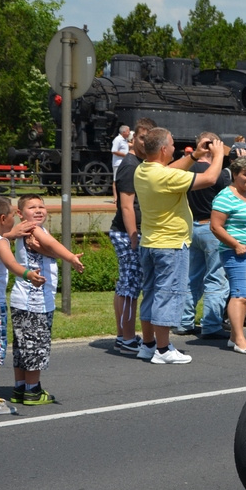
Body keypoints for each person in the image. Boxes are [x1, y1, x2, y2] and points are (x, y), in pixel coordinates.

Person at [134, 127, 226, 365]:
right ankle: (163, 350)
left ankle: (148, 345)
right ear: (164, 149)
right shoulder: (164, 176)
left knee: (151, 294)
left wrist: (195, 156)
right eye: (172, 145)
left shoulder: (143, 170)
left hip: (149, 243)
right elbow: (210, 178)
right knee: (167, 294)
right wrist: (219, 155)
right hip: (171, 245)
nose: (175, 148)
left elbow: (171, 168)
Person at [7, 195, 85, 405]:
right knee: (36, 346)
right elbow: (51, 244)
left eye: (42, 206)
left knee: (22, 346)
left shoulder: (25, 231)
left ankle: (20, 387)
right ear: (20, 214)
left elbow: (46, 248)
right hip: (36, 301)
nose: (39, 210)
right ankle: (33, 390)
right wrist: (71, 257)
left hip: (21, 299)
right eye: (32, 207)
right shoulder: (33, 229)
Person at [0, 195, 47, 416]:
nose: (14, 220)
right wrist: (29, 274)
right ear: (3, 218)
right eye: (12, 215)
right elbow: (11, 264)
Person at [210, 156, 246, 355]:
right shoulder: (225, 196)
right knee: (239, 295)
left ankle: (234, 337)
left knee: (245, 296)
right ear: (235, 175)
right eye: (245, 174)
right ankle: (240, 340)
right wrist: (235, 244)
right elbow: (215, 227)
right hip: (237, 253)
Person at [177, 131, 232, 340]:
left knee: (192, 277)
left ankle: (184, 322)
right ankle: (211, 324)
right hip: (213, 229)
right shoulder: (216, 172)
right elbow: (229, 200)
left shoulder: (187, 170)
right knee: (216, 278)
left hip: (192, 227)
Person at [109, 117, 155, 354]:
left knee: (125, 285)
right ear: (132, 138)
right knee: (130, 286)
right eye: (141, 137)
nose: (144, 142)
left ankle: (122, 335)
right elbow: (126, 206)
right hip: (127, 233)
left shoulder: (142, 162)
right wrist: (134, 237)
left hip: (130, 232)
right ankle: (127, 338)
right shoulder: (130, 165)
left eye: (149, 138)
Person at [111, 124, 130, 205]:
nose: (129, 133)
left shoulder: (125, 140)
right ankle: (115, 197)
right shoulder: (118, 139)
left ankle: (120, 197)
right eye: (128, 131)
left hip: (123, 163)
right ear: (124, 132)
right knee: (115, 180)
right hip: (118, 163)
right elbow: (114, 150)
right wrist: (125, 155)